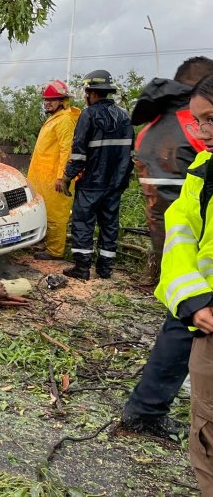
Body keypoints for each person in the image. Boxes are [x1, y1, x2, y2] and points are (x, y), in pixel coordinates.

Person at [120, 57, 213, 440]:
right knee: (184, 323)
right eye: (203, 118)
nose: (205, 129)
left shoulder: (155, 125)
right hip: (187, 237)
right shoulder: (191, 133)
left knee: (180, 317)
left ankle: (145, 408)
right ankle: (145, 410)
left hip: (167, 223)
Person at [152, 73, 213, 491]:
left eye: (210, 119)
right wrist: (193, 298)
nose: (202, 132)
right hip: (204, 314)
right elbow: (180, 232)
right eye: (199, 122)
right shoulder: (202, 170)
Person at [133, 56, 213, 280]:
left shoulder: (155, 122)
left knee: (165, 235)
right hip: (188, 196)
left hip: (155, 193)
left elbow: (140, 148)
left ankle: (159, 277)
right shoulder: (193, 119)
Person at [59, 70, 134, 280]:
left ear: (91, 93)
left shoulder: (88, 115)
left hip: (91, 182)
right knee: (109, 224)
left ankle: (82, 268)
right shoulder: (124, 116)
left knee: (83, 222)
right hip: (115, 183)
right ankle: (105, 268)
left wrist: (67, 177)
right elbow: (130, 154)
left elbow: (78, 152)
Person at [27, 80, 81, 260]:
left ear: (63, 101)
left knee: (56, 215)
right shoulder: (55, 118)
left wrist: (62, 177)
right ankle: (47, 245)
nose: (47, 103)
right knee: (46, 212)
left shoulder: (64, 120)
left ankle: (55, 251)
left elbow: (68, 150)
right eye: (46, 100)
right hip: (45, 177)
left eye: (52, 99)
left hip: (55, 178)